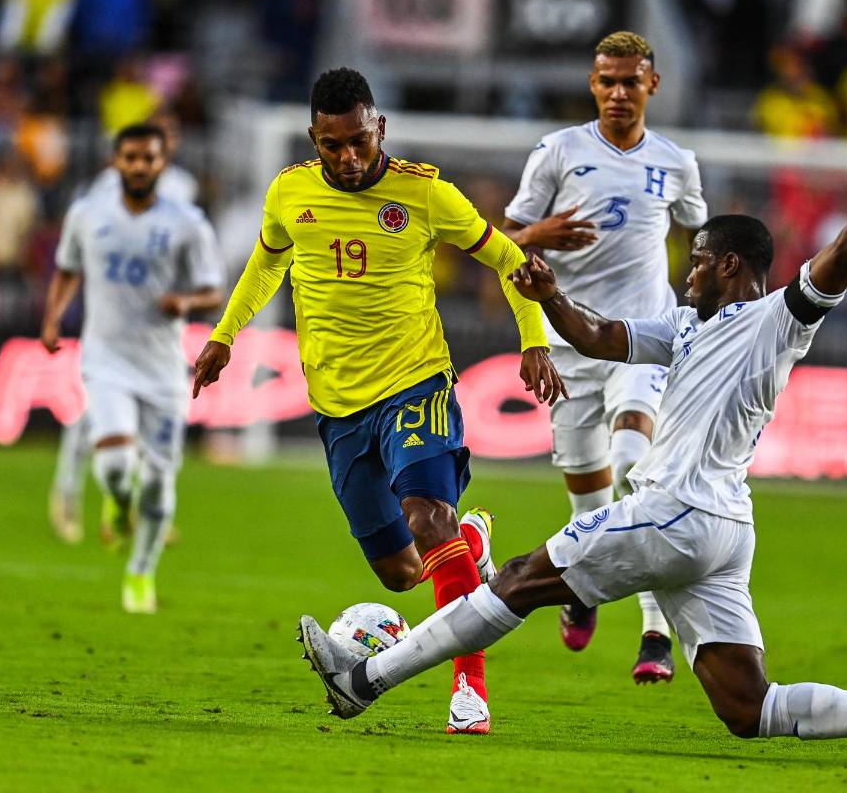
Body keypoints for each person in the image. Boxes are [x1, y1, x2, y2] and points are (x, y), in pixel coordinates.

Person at [298, 111, 847, 775]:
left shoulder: (775, 320)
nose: (685, 270)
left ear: (730, 266)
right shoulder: (688, 327)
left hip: (675, 509)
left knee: (515, 580)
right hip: (724, 531)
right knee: (748, 707)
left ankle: (362, 679)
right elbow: (599, 337)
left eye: (696, 259)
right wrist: (547, 294)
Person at [190, 68, 563, 735]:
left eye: (360, 140)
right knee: (400, 572)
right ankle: (470, 542)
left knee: (427, 518)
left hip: (415, 383)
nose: (350, 157)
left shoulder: (424, 194)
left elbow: (511, 259)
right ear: (315, 138)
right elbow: (267, 261)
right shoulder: (289, 192)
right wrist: (225, 335)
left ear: (379, 127)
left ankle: (469, 692)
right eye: (334, 145)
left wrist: (534, 338)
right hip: (338, 407)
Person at [502, 30, 708, 682]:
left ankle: (654, 634)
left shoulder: (677, 162)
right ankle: (584, 591)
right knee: (590, 501)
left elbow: (701, 241)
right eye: (606, 81)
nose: (618, 92)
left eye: (630, 81)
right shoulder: (558, 152)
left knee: (634, 466)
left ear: (653, 84)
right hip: (568, 345)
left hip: (642, 337)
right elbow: (504, 244)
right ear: (593, 86)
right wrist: (538, 234)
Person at [40, 122, 225, 614]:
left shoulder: (188, 221)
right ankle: (117, 503)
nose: (140, 166)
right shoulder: (87, 212)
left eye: (150, 158)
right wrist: (54, 317)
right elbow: (67, 268)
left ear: (163, 163)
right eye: (131, 157)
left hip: (163, 367)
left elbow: (214, 290)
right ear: (116, 161)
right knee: (118, 466)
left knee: (162, 481)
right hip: (105, 359)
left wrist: (184, 300)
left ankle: (140, 574)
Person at [49, 110, 199, 544]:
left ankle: (146, 507)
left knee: (159, 419)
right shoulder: (108, 185)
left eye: (171, 135)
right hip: (112, 318)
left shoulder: (183, 187)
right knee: (91, 416)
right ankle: (66, 494)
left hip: (158, 325)